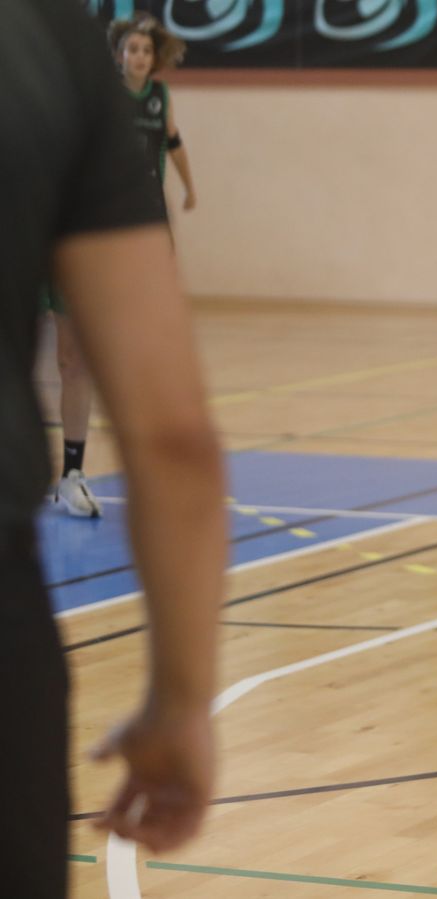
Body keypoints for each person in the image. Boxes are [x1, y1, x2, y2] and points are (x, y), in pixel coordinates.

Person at [1, 1, 226, 894]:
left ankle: (72, 472)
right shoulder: (47, 45)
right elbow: (172, 435)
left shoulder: (136, 92)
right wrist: (180, 702)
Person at [43, 11, 198, 516]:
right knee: (70, 360)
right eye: (130, 49)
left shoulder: (158, 100)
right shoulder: (84, 103)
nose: (136, 57)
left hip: (126, 243)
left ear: (153, 59)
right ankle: (71, 473)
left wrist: (189, 190)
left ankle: (96, 469)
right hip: (68, 240)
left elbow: (171, 146)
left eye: (145, 50)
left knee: (122, 356)